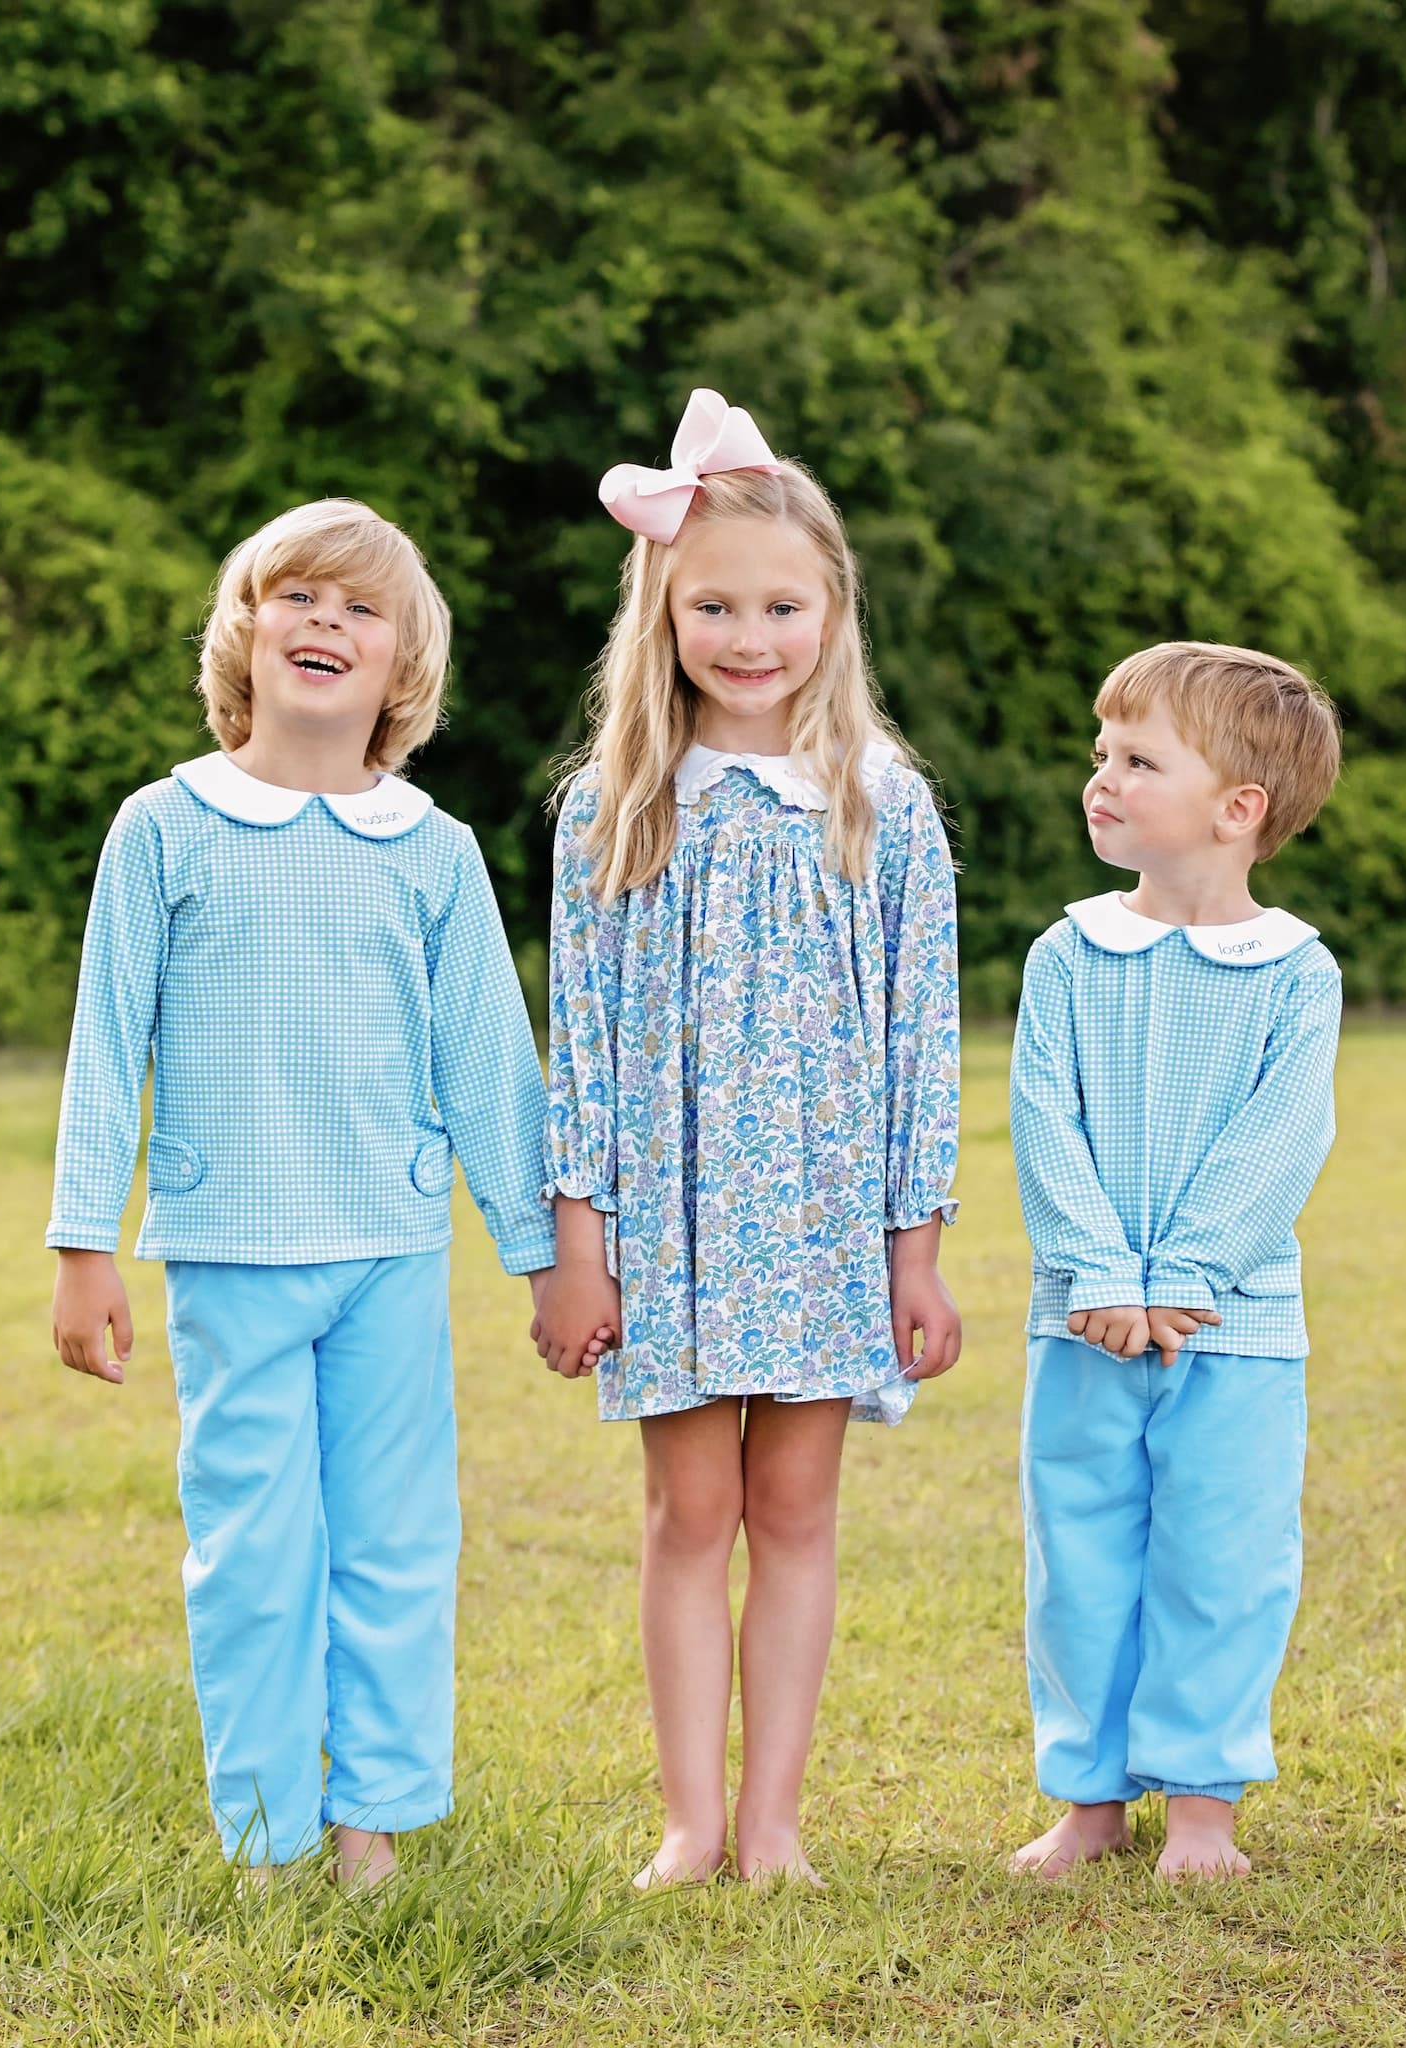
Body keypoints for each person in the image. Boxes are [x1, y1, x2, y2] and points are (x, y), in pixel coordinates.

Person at [46, 499, 553, 1886]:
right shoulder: (165, 829)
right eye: (298, 595)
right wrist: (84, 1242)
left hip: (388, 1251)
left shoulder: (431, 849)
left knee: (394, 1544)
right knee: (252, 1552)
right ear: (245, 632)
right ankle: (266, 1836)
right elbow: (107, 1043)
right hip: (228, 1250)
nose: (326, 619)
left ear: (401, 666)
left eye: (361, 607)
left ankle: (372, 1820)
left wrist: (542, 1253)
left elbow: (489, 1065)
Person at [534, 391, 962, 1887]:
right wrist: (577, 1247)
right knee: (688, 1510)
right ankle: (690, 1820)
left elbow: (922, 1044)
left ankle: (773, 1826)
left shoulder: (881, 806)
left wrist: (916, 1252)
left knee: (791, 1508)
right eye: (712, 604)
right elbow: (580, 1046)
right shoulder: (614, 808)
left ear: (831, 612)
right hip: (669, 1222)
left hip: (824, 1221)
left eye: (781, 605)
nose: (748, 634)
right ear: (661, 612)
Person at [1008, 639, 1343, 1879]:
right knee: (1080, 1564)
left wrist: (1185, 1276)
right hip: (1083, 1324)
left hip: (1233, 1331)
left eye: (1138, 760)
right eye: (1102, 752)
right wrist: (1101, 1273)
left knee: (1223, 1563)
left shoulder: (1297, 974)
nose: (1101, 778)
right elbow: (1044, 1117)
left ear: (1237, 807)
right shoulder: (1067, 954)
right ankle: (1089, 1798)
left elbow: (1282, 1137)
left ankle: (1203, 1805)